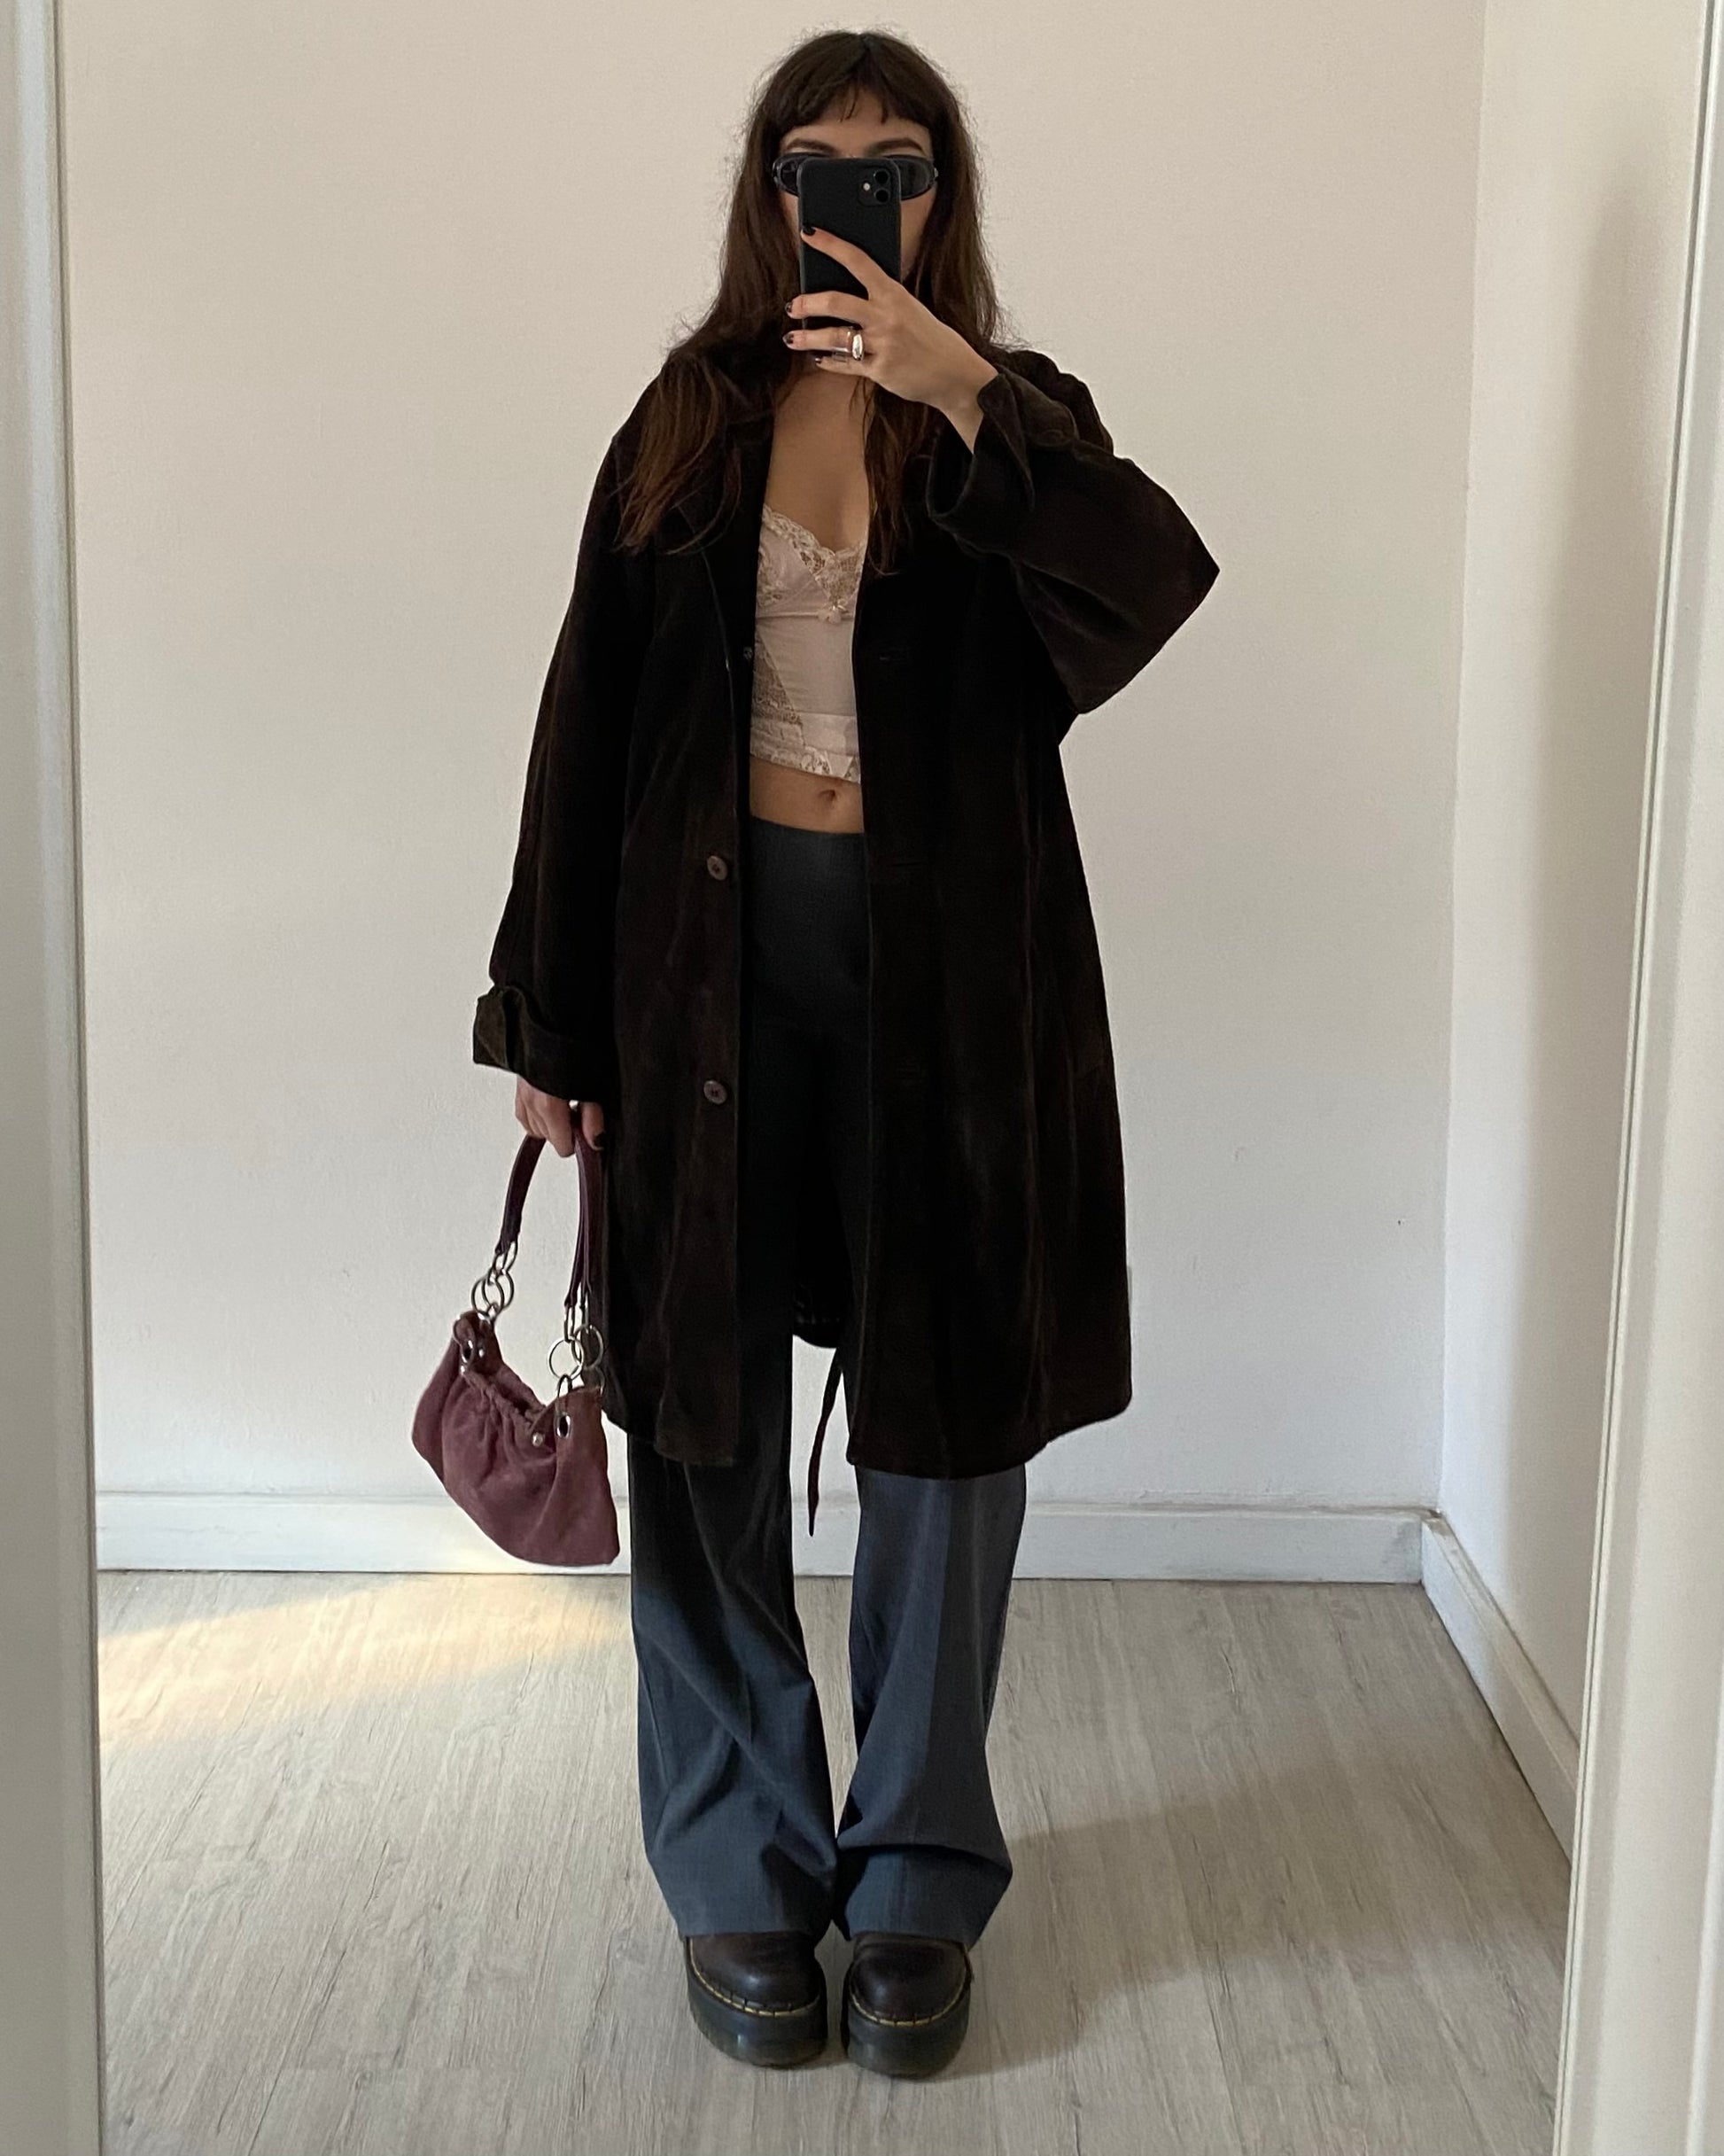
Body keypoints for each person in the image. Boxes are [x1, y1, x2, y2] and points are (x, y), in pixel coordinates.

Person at [474, 28, 1219, 2080]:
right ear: (769, 189)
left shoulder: (1010, 424)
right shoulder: (689, 419)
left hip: (952, 997)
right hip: (695, 982)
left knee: (946, 1438)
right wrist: (548, 1014)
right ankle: (738, 1859)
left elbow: (1150, 585)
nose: (856, 195)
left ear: (941, 195)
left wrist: (958, 387)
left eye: (896, 164)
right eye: (820, 163)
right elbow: (585, 721)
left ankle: (912, 1876)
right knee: (698, 1420)